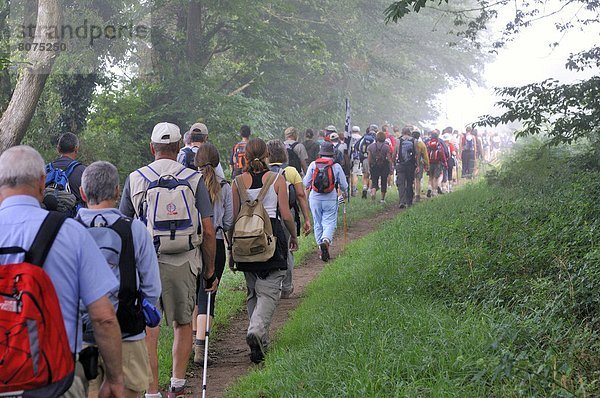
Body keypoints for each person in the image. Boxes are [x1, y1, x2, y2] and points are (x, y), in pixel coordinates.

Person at [0, 145, 124, 398]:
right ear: (42, 182)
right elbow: (103, 317)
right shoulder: (71, 232)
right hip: (56, 381)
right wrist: (115, 378)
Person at [119, 122, 218, 398]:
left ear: (152, 148)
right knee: (183, 323)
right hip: (184, 260)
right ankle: (177, 385)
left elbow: (124, 229)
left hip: (147, 261)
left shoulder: (135, 178)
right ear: (178, 148)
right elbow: (208, 230)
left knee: (150, 328)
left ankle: (151, 392)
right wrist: (210, 271)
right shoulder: (194, 178)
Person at [77, 161, 161, 398]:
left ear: (83, 193)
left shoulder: (69, 230)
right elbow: (152, 289)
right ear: (117, 191)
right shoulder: (134, 229)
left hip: (80, 340)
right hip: (128, 335)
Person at [228, 138, 298, 364]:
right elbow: (286, 214)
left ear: (245, 157)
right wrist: (293, 236)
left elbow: (232, 218)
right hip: (270, 239)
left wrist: (231, 247)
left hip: (245, 242)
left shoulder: (237, 182)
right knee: (268, 292)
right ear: (267, 155)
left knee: (252, 291)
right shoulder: (278, 179)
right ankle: (256, 331)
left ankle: (260, 340)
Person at [193, 143, 233, 365]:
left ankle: (190, 340)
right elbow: (228, 222)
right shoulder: (225, 187)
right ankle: (201, 346)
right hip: (215, 244)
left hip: (192, 243)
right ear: (218, 161)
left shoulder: (189, 184)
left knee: (195, 294)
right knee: (209, 294)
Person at [266, 139, 311, 299]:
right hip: (288, 214)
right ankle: (286, 286)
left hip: (266, 216)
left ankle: (271, 286)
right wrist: (306, 219)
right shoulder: (291, 171)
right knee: (287, 249)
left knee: (268, 249)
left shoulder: (264, 171)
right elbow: (300, 195)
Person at [303, 141, 348, 262]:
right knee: (329, 222)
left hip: (315, 198)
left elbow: (305, 183)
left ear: (320, 153)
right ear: (332, 154)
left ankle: (320, 249)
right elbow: (344, 185)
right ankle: (326, 241)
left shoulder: (313, 165)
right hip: (330, 197)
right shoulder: (336, 166)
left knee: (318, 223)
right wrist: (345, 192)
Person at [46, 132, 87, 212]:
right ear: (76, 149)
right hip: (73, 221)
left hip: (46, 221)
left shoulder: (45, 170)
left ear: (58, 149)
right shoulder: (84, 172)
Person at [394, 127, 420, 208]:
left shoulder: (398, 141)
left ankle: (402, 201)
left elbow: (394, 153)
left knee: (401, 183)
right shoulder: (414, 141)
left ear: (402, 132)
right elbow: (418, 153)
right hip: (411, 165)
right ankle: (409, 201)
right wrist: (418, 165)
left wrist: (393, 163)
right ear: (409, 133)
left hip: (400, 164)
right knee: (409, 182)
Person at [367, 131, 393, 204]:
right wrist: (391, 168)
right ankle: (382, 199)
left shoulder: (371, 146)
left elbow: (369, 158)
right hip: (384, 166)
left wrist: (369, 167)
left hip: (374, 166)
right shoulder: (386, 147)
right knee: (383, 182)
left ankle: (373, 194)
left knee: (374, 181)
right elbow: (389, 158)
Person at [355, 125, 377, 199]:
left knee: (365, 175)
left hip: (364, 158)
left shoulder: (364, 137)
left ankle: (364, 188)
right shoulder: (375, 138)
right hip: (373, 159)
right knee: (372, 175)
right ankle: (370, 190)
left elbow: (357, 146)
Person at [426, 130, 448, 197]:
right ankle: (434, 191)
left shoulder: (428, 143)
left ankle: (429, 187)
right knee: (436, 177)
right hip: (438, 163)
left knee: (430, 176)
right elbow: (443, 153)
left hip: (430, 162)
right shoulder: (440, 142)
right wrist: (445, 162)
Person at [412, 129, 429, 202]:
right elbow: (425, 155)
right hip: (419, 163)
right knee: (418, 179)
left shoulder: (410, 142)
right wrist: (427, 164)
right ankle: (417, 195)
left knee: (411, 179)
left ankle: (411, 193)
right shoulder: (421, 144)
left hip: (410, 163)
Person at [349, 126, 362, 197]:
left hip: (349, 156)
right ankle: (354, 190)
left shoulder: (349, 137)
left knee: (349, 173)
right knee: (355, 174)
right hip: (357, 157)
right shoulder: (360, 138)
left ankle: (349, 189)